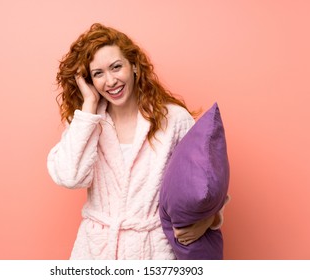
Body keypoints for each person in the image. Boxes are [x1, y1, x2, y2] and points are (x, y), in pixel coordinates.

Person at [47, 23, 223, 259]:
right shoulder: (86, 122)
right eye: (98, 73)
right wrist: (88, 106)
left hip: (153, 251)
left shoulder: (173, 119)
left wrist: (210, 219)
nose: (110, 81)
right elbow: (70, 177)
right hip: (94, 252)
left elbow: (203, 180)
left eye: (116, 67)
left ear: (135, 67)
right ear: (89, 81)